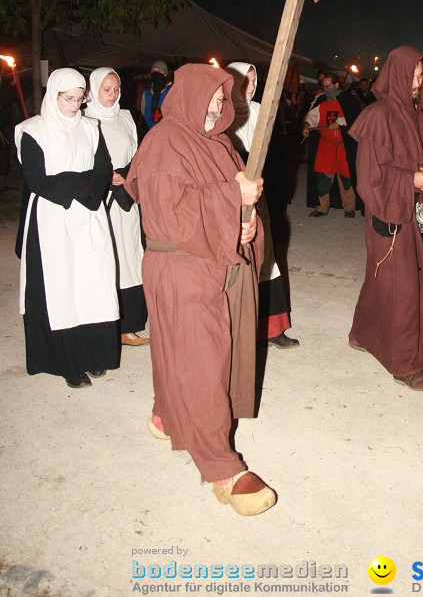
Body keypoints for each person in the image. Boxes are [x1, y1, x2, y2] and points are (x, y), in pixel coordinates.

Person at [125, 63, 276, 516]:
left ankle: (168, 414)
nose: (215, 110)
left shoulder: (220, 145)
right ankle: (222, 468)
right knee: (202, 360)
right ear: (186, 96)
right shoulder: (163, 144)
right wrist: (234, 202)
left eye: (221, 102)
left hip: (214, 262)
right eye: (208, 100)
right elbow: (169, 218)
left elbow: (239, 206)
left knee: (195, 354)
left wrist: (245, 227)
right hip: (180, 268)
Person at [347, 46, 423, 391]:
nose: (419, 83)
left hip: (405, 208)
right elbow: (368, 179)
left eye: (422, 76)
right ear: (399, 75)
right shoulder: (378, 116)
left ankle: (362, 333)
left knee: (383, 279)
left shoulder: (415, 115)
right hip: (387, 212)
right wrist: (410, 181)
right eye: (414, 76)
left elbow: (411, 158)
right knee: (404, 287)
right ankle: (405, 365)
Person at [14, 68, 120, 389]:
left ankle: (93, 354)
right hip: (51, 218)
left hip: (87, 214)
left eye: (79, 99)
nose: (75, 105)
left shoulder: (90, 127)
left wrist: (85, 189)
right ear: (54, 95)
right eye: (68, 99)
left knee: (92, 284)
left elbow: (102, 167)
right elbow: (37, 180)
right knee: (61, 289)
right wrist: (77, 183)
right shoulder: (33, 131)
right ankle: (66, 363)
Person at [226, 62, 299, 349]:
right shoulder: (225, 113)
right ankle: (240, 331)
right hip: (234, 194)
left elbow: (274, 151)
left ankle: (272, 327)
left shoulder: (259, 110)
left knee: (266, 254)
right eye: (245, 81)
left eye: (254, 81)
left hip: (261, 191)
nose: (251, 87)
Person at [85, 68, 149, 347]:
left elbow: (136, 152)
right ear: (94, 89)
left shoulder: (124, 116)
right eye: (106, 90)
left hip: (126, 197)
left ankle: (129, 325)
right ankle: (106, 326)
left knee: (131, 256)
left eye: (115, 89)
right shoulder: (85, 119)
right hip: (101, 200)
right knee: (107, 257)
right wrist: (104, 176)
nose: (112, 95)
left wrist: (130, 175)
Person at [302, 73, 363, 218]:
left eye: (328, 86)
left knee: (346, 178)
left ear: (336, 85)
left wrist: (340, 122)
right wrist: (306, 125)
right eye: (324, 86)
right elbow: (312, 115)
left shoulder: (349, 99)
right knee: (322, 178)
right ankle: (322, 208)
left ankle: (349, 208)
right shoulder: (322, 100)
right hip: (326, 145)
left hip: (344, 146)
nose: (326, 89)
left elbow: (356, 116)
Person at [140, 60, 172, 130]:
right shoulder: (146, 94)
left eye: (159, 70)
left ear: (165, 74)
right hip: (151, 133)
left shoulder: (172, 92)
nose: (156, 73)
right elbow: (144, 113)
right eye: (153, 70)